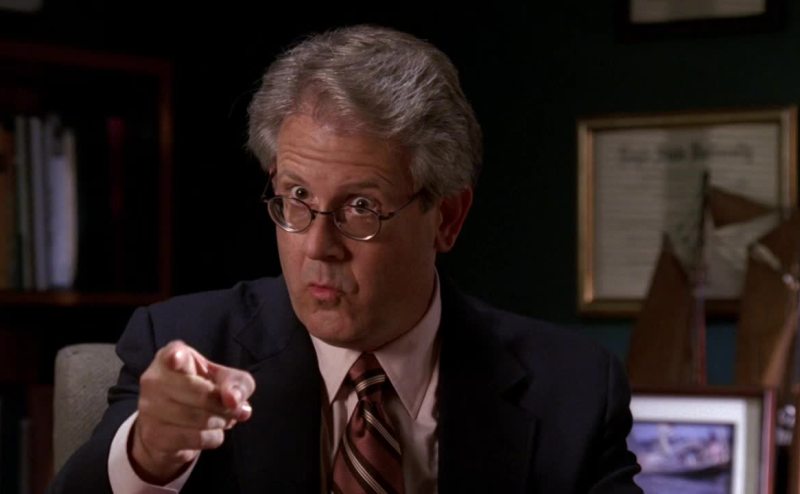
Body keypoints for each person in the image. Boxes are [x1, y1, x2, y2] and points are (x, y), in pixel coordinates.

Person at [50, 25, 643, 493]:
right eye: (297, 196)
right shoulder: (189, 342)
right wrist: (150, 452)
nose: (317, 246)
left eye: (362, 207)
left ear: (446, 218)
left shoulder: (572, 388)